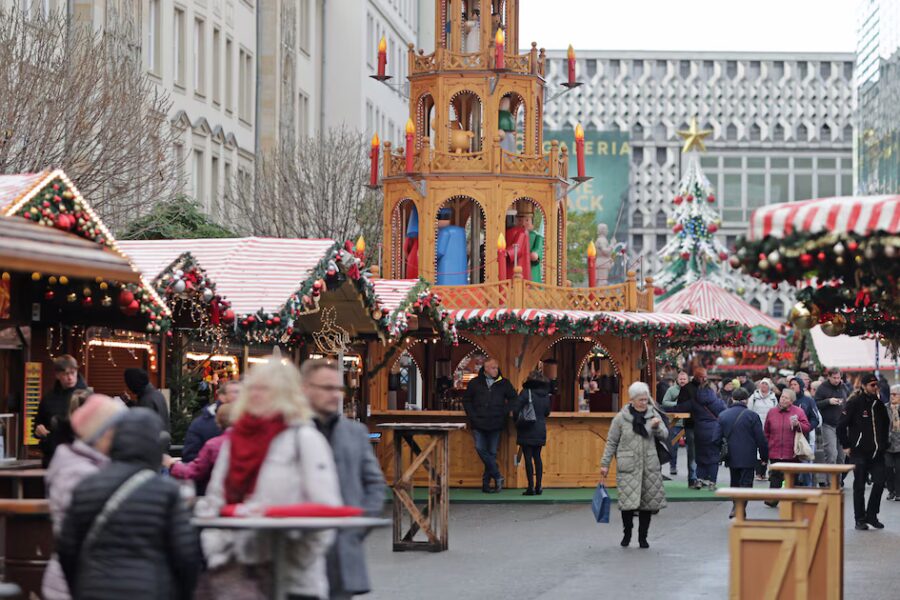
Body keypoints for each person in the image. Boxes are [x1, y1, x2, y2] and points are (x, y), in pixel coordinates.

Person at [197, 356, 342, 598]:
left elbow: (326, 508)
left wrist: (297, 558)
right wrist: (216, 552)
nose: (254, 394)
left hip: (292, 579)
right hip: (237, 572)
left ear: (284, 393)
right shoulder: (236, 440)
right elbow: (215, 501)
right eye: (252, 387)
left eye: (264, 388)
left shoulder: (304, 439)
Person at [58, 408, 200, 599]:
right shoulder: (165, 491)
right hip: (150, 589)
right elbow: (186, 555)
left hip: (94, 589)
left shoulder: (87, 486)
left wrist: (81, 586)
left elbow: (67, 550)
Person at [303, 358, 386, 600]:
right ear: (306, 389)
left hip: (342, 550)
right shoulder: (288, 431)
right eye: (326, 388)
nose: (335, 395)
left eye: (338, 388)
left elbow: (374, 484)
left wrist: (358, 525)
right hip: (300, 550)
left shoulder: (355, 433)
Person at [43, 394, 126, 600]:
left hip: (82, 578)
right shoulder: (79, 472)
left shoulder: (83, 463)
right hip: (76, 582)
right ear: (102, 432)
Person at [600, 382, 667, 549]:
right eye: (640, 400)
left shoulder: (653, 415)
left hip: (649, 465)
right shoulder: (620, 418)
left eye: (646, 399)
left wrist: (657, 427)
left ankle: (643, 537)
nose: (644, 403)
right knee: (627, 504)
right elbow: (611, 442)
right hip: (628, 466)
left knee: (647, 504)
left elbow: (665, 435)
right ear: (632, 400)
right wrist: (605, 464)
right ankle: (627, 533)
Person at [838, 373, 890, 530]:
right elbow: (841, 425)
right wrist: (846, 445)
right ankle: (859, 519)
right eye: (872, 385)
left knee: (880, 482)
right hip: (859, 452)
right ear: (864, 386)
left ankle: (872, 515)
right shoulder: (854, 402)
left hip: (877, 453)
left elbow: (885, 425)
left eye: (876, 385)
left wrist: (883, 444)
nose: (875, 388)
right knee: (859, 485)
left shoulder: (879, 404)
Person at [462, 357, 517, 492]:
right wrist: (473, 416)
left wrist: (503, 411)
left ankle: (486, 485)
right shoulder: (475, 383)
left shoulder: (504, 383)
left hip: (496, 422)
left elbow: (514, 398)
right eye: (493, 368)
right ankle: (498, 476)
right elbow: (467, 400)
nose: (496, 370)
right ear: (485, 368)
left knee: (491, 453)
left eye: (496, 368)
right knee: (480, 449)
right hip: (478, 422)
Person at [718, 388, 769, 518]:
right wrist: (764, 457)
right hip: (748, 456)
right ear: (746, 400)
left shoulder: (723, 415)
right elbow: (761, 439)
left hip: (731, 455)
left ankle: (736, 506)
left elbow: (716, 437)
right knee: (746, 483)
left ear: (732, 399)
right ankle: (740, 507)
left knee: (734, 482)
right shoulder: (752, 416)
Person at [673, 367, 726, 489]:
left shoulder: (692, 396)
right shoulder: (715, 399)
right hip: (712, 429)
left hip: (697, 427)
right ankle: (711, 481)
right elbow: (723, 411)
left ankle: (697, 479)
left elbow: (679, 407)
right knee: (712, 456)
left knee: (698, 455)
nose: (704, 378)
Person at [164, 403, 233, 496]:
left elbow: (195, 471)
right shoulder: (253, 441)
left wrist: (172, 464)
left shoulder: (213, 445)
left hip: (218, 495)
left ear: (218, 422)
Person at [34, 355, 88, 467]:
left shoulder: (87, 397)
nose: (70, 377)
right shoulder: (48, 398)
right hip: (52, 457)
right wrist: (38, 430)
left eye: (73, 373)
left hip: (78, 458)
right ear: (57, 375)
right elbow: (38, 424)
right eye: (65, 374)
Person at [763, 389, 811, 507]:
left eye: (786, 398)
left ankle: (791, 500)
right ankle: (773, 499)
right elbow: (766, 431)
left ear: (792, 401)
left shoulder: (798, 411)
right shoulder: (772, 412)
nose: (783, 399)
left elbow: (807, 427)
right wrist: (768, 444)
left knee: (792, 477)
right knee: (775, 476)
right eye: (782, 397)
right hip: (775, 450)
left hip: (792, 451)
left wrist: (797, 425)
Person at [182, 379, 240, 463]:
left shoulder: (251, 420)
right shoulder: (201, 424)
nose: (241, 396)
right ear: (222, 396)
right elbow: (191, 457)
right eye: (236, 392)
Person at [513, 370, 552, 495]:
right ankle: (539, 486)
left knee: (528, 458)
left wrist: (517, 422)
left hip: (526, 428)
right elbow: (547, 412)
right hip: (540, 428)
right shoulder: (546, 395)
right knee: (537, 457)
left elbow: (516, 409)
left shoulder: (526, 393)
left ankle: (530, 487)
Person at [815, 368, 849, 476]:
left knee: (841, 457)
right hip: (828, 424)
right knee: (831, 454)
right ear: (828, 377)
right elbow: (815, 403)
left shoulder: (843, 387)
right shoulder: (822, 388)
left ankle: (838, 484)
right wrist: (828, 401)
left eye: (838, 377)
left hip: (842, 425)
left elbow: (849, 400)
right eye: (834, 378)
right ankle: (831, 485)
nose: (836, 380)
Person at [662, 371, 692, 479]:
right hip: (676, 422)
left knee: (691, 447)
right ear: (677, 380)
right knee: (673, 446)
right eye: (681, 379)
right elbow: (665, 402)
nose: (683, 381)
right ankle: (673, 466)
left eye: (684, 379)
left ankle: (691, 469)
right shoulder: (671, 390)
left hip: (689, 422)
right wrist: (677, 403)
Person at [747, 378, 777, 481]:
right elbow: (749, 410)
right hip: (756, 425)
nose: (764, 386)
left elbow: (775, 410)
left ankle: (764, 472)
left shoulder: (773, 398)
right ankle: (758, 472)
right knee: (757, 450)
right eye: (762, 384)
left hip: (769, 426)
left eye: (766, 384)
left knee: (766, 448)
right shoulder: (754, 397)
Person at [124, 368, 170, 433]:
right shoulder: (156, 394)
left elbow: (143, 425)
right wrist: (129, 402)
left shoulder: (146, 399)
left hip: (151, 440)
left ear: (134, 383)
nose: (128, 387)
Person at [436, 207, 468, 285]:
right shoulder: (461, 231)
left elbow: (438, 252)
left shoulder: (445, 232)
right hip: (460, 271)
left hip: (446, 270)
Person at [886, 385, 900, 502]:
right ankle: (891, 490)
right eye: (891, 394)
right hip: (887, 444)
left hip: (899, 444)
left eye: (895, 394)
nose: (892, 397)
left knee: (899, 469)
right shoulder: (884, 408)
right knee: (888, 468)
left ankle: (898, 492)